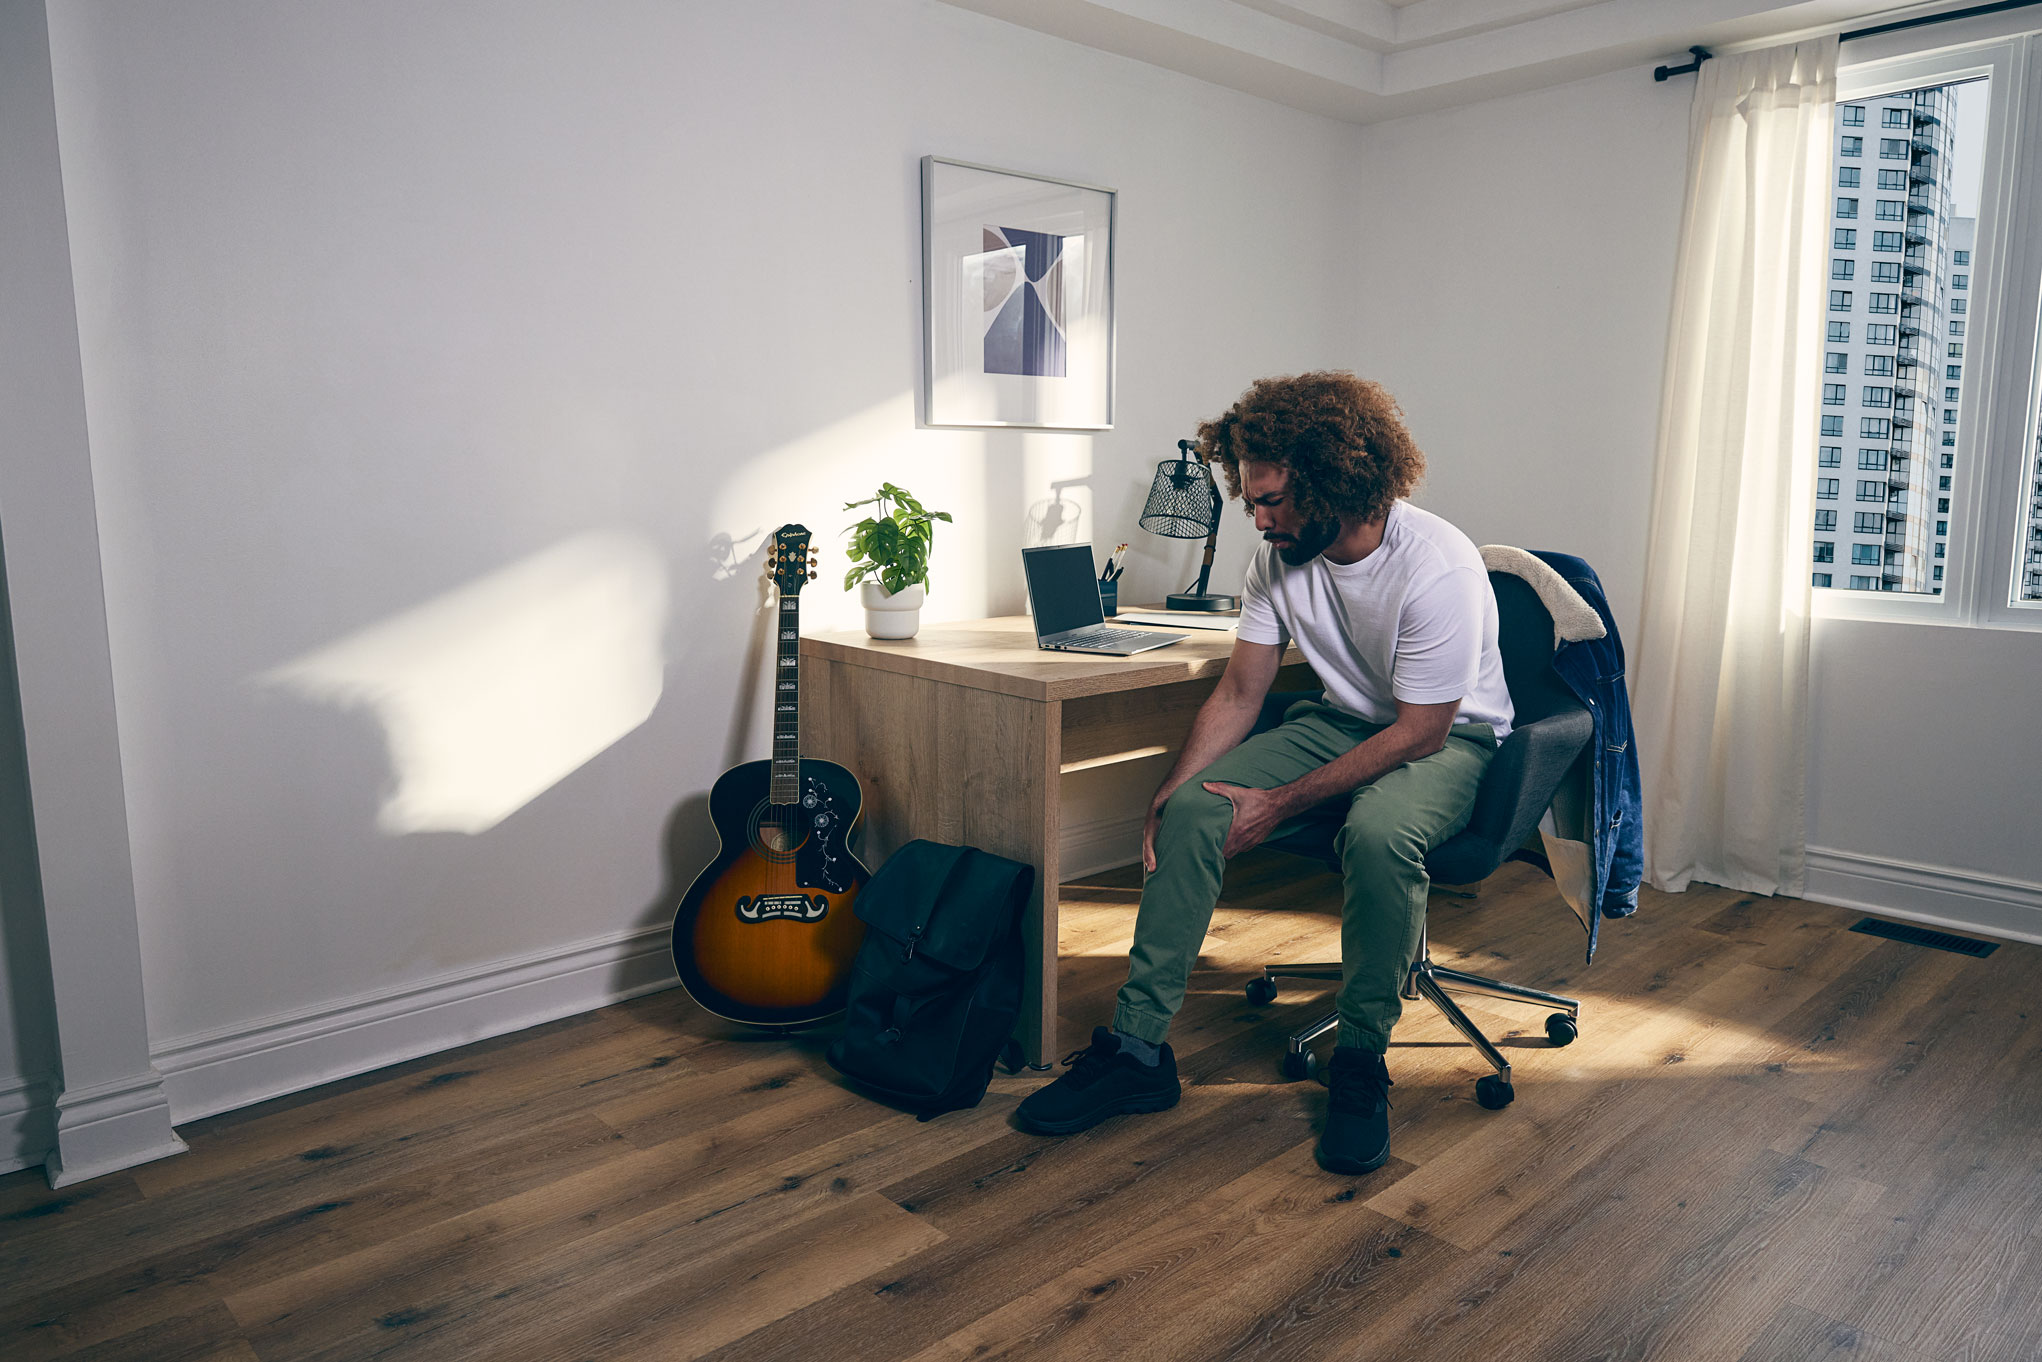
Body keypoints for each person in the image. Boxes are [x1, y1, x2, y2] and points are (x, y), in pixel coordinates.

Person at [1015, 371, 1513, 1175]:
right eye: (1251, 502)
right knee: (1194, 808)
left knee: (1380, 834)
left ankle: (1359, 1062)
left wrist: (1277, 804)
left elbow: (1422, 730)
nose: (1261, 519)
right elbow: (1242, 689)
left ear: (1339, 483)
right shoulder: (1278, 556)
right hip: (1343, 721)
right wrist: (1170, 794)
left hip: (1448, 737)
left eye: (1275, 501)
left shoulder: (1437, 566)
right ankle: (1138, 1053)